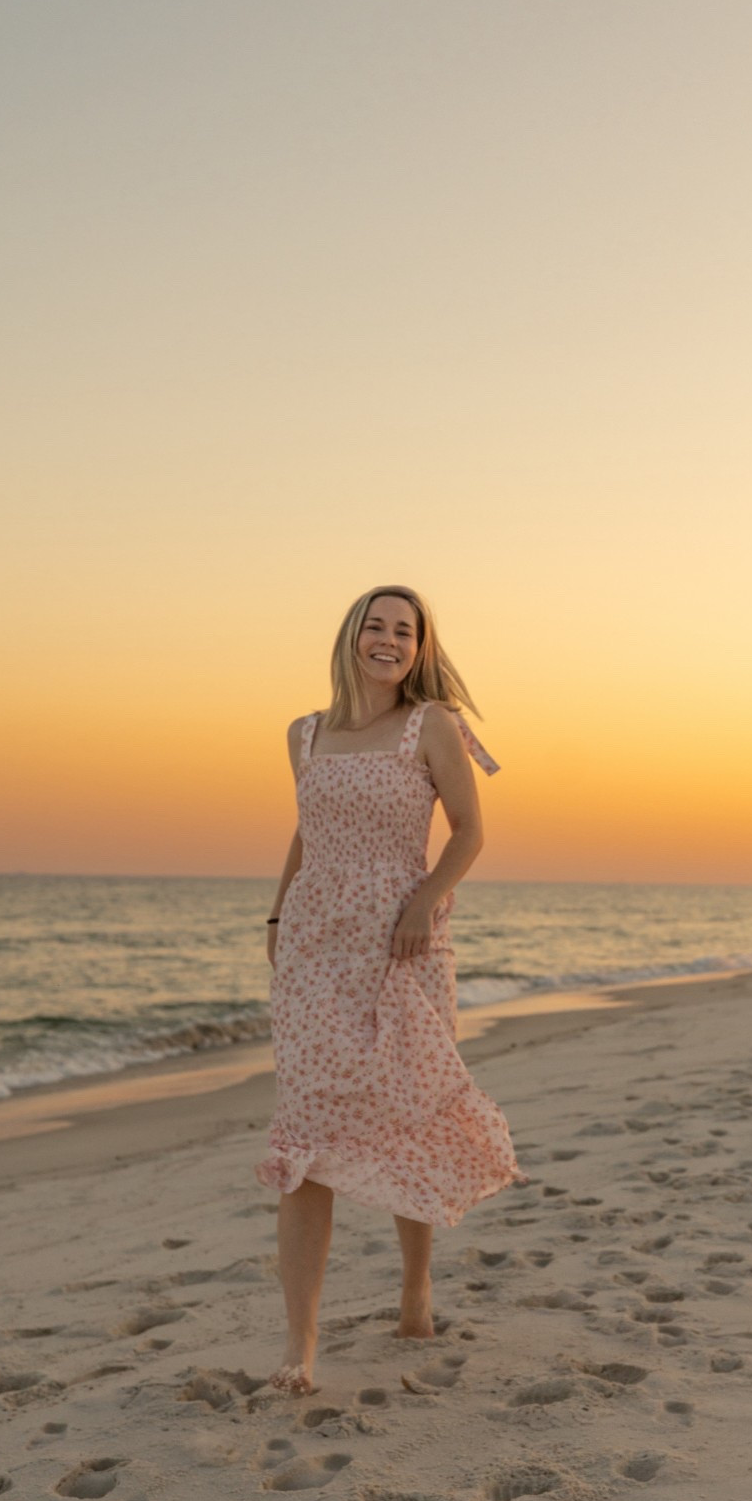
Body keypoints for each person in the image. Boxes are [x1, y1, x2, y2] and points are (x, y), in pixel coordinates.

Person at [256, 584, 522, 1393]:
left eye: (404, 631)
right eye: (376, 626)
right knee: (304, 1135)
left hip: (404, 942)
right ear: (351, 637)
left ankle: (415, 1288)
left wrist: (421, 904)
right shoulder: (304, 733)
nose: (389, 640)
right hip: (314, 944)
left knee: (409, 1112)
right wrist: (277, 915)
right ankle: (301, 1345)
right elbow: (308, 830)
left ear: (419, 648)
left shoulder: (430, 725)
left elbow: (470, 834)